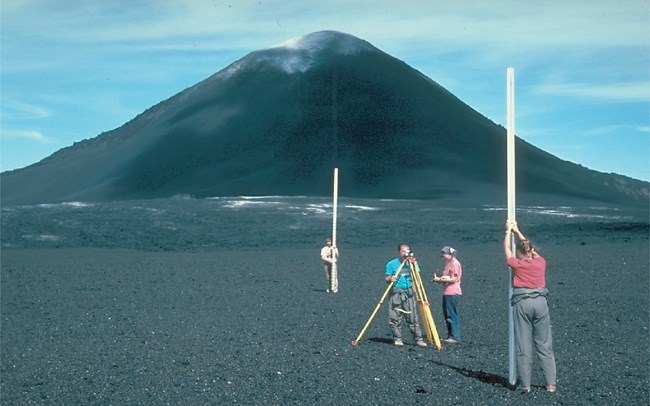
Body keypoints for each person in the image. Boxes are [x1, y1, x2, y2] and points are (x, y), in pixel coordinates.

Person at [504, 221, 557, 394]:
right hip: (541, 302)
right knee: (544, 344)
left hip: (522, 302)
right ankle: (550, 384)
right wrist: (518, 231)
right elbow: (530, 249)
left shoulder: (517, 264)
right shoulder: (540, 262)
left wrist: (507, 232)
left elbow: (507, 250)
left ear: (520, 252)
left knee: (523, 345)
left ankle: (526, 384)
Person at [384, 243, 427, 347]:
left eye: (407, 251)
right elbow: (386, 278)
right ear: (399, 252)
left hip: (409, 292)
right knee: (394, 317)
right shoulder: (391, 264)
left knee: (412, 317)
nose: (405, 253)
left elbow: (417, 275)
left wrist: (413, 263)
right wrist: (391, 278)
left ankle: (418, 339)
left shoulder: (412, 263)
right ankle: (397, 338)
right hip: (396, 293)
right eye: (403, 251)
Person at [433, 246, 462, 344]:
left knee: (452, 314)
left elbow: (454, 279)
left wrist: (440, 279)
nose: (443, 256)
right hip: (447, 292)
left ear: (450, 254)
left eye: (444, 254)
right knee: (447, 314)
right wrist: (441, 279)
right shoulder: (448, 263)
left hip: (453, 292)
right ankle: (450, 335)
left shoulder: (455, 264)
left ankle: (455, 336)